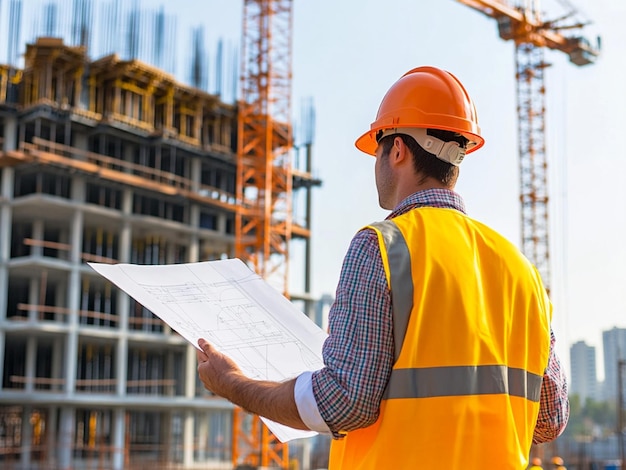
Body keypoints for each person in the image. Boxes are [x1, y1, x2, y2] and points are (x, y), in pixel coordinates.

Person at [196, 66, 569, 469]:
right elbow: (550, 420)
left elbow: (345, 402)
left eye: (376, 149)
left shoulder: (384, 248)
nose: (375, 162)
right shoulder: (521, 271)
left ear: (397, 150)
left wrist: (234, 384)